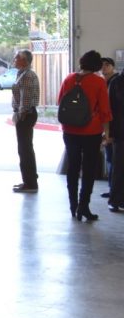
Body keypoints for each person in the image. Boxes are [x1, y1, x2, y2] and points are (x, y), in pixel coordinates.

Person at [58, 50, 112, 222]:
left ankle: (73, 206)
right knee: (89, 169)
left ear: (82, 62)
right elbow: (105, 110)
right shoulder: (99, 82)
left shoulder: (69, 79)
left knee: (73, 167)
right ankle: (84, 207)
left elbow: (61, 101)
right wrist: (107, 134)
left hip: (70, 130)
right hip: (91, 131)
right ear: (96, 65)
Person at [11, 50, 40, 193]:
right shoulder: (22, 73)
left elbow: (26, 99)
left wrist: (19, 115)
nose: (14, 59)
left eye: (17, 58)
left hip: (26, 115)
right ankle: (29, 179)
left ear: (24, 60)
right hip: (24, 114)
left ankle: (30, 183)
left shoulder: (28, 75)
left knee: (25, 150)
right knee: (24, 149)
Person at [101, 57, 117, 198]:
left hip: (113, 127)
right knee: (110, 159)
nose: (104, 68)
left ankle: (114, 190)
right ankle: (112, 188)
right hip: (106, 126)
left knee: (113, 159)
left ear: (113, 66)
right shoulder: (103, 83)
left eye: (107, 65)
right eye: (102, 65)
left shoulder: (116, 82)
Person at [108, 69, 124, 211]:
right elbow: (110, 109)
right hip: (120, 132)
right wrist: (109, 132)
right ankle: (115, 199)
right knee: (119, 167)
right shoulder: (117, 82)